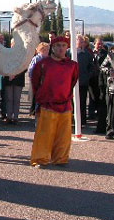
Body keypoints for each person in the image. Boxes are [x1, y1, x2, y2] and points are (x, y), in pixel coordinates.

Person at [30, 36, 78, 168]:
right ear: (52, 47)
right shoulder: (43, 64)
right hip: (47, 104)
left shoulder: (72, 65)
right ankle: (40, 159)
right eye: (58, 45)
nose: (61, 48)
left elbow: (73, 81)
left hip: (65, 104)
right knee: (44, 134)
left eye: (63, 45)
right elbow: (35, 81)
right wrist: (41, 97)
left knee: (64, 135)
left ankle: (60, 158)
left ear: (67, 47)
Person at [3, 38, 26, 124]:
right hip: (8, 80)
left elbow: (24, 67)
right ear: (11, 44)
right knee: (8, 99)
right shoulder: (6, 54)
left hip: (18, 80)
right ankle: (9, 117)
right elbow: (3, 65)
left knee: (17, 99)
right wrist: (9, 74)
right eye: (13, 43)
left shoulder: (22, 55)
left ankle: (15, 117)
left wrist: (15, 74)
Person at [89, 38, 109, 134]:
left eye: (101, 43)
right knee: (93, 98)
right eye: (98, 44)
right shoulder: (90, 53)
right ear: (94, 44)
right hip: (91, 79)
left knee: (101, 102)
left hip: (101, 81)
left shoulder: (106, 54)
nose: (100, 45)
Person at [27, 42, 50, 117]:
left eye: (48, 49)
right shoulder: (36, 59)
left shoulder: (49, 59)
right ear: (41, 50)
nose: (47, 51)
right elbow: (31, 70)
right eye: (45, 49)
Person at [76, 34, 94, 127]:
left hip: (83, 82)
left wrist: (87, 76)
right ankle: (72, 120)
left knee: (82, 102)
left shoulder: (87, 54)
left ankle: (82, 120)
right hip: (71, 83)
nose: (81, 43)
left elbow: (92, 67)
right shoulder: (69, 52)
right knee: (71, 102)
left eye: (82, 41)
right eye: (79, 41)